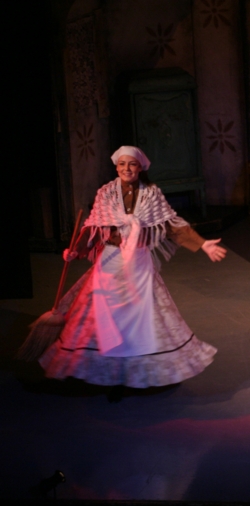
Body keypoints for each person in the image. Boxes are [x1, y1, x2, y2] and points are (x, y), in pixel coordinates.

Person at [38, 146, 226, 398]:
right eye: (122, 164)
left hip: (138, 261)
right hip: (110, 260)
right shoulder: (106, 193)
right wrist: (76, 251)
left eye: (132, 164)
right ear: (116, 167)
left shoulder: (151, 195)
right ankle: (107, 372)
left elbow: (172, 226)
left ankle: (132, 373)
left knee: (138, 319)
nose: (127, 168)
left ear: (140, 167)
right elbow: (93, 227)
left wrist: (202, 244)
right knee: (104, 316)